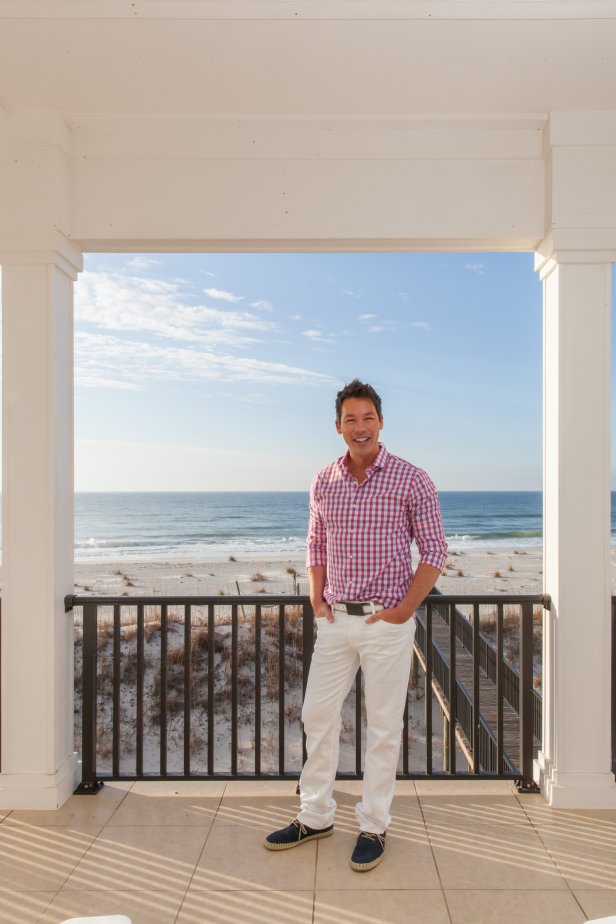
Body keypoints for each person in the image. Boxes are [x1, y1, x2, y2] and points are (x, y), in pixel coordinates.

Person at [264, 379, 447, 870]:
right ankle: (316, 815)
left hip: (386, 623)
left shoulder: (412, 479)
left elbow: (435, 551)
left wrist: (406, 609)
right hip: (335, 622)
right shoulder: (324, 480)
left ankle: (373, 825)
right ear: (338, 426)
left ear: (381, 422)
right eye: (351, 419)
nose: (360, 427)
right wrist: (314, 592)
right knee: (316, 716)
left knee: (384, 727)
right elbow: (316, 542)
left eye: (368, 418)